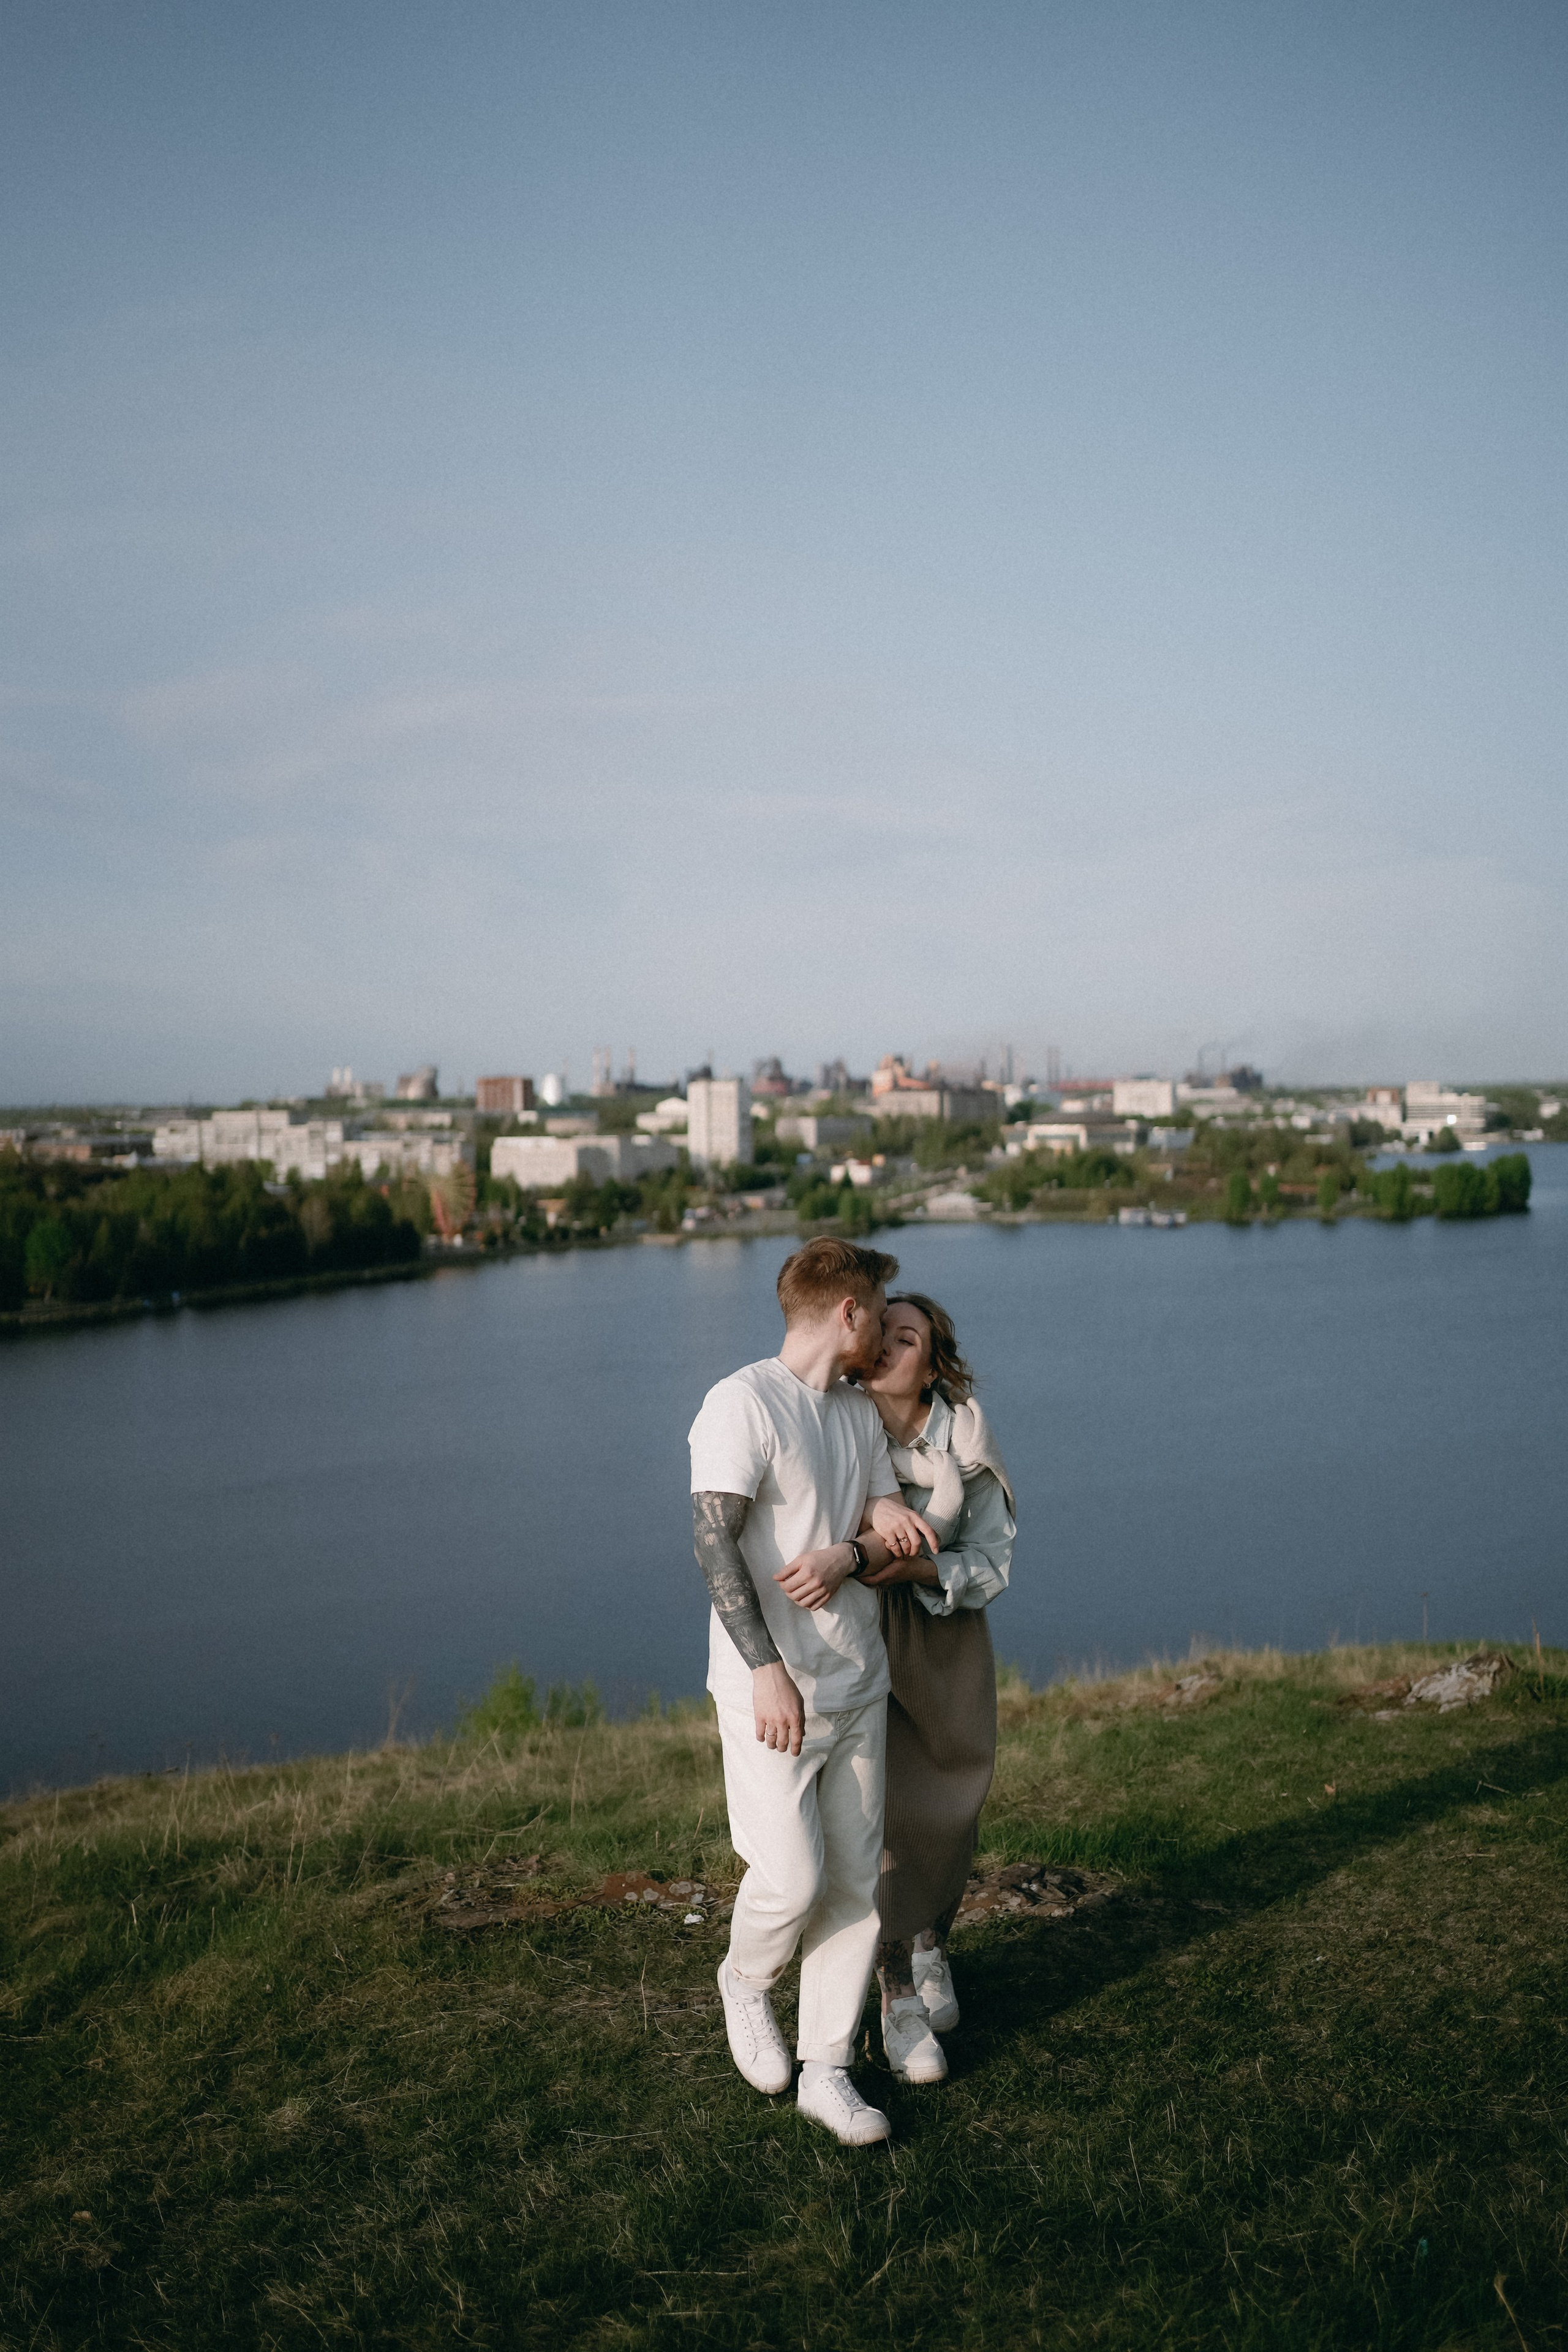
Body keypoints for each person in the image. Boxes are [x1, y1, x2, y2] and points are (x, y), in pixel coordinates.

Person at [688, 1237, 939, 2146]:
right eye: (878, 1303)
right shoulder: (741, 1402)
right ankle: (744, 1982)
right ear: (849, 1312)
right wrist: (765, 1670)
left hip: (857, 1682)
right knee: (789, 1879)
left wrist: (876, 1528)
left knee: (851, 1887)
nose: (883, 1316)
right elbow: (714, 1542)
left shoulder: (855, 1413)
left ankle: (827, 2070)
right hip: (773, 1693)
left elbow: (870, 1511)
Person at [855, 1293, 1016, 2084]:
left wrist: (920, 1567)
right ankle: (895, 2004)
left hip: (946, 1634)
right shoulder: (837, 1418)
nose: (888, 1344)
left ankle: (931, 1948)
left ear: (934, 1363)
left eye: (907, 1337)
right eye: (881, 1330)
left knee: (952, 1808)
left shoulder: (965, 1431)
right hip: (862, 1638)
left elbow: (993, 1558)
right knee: (882, 1820)